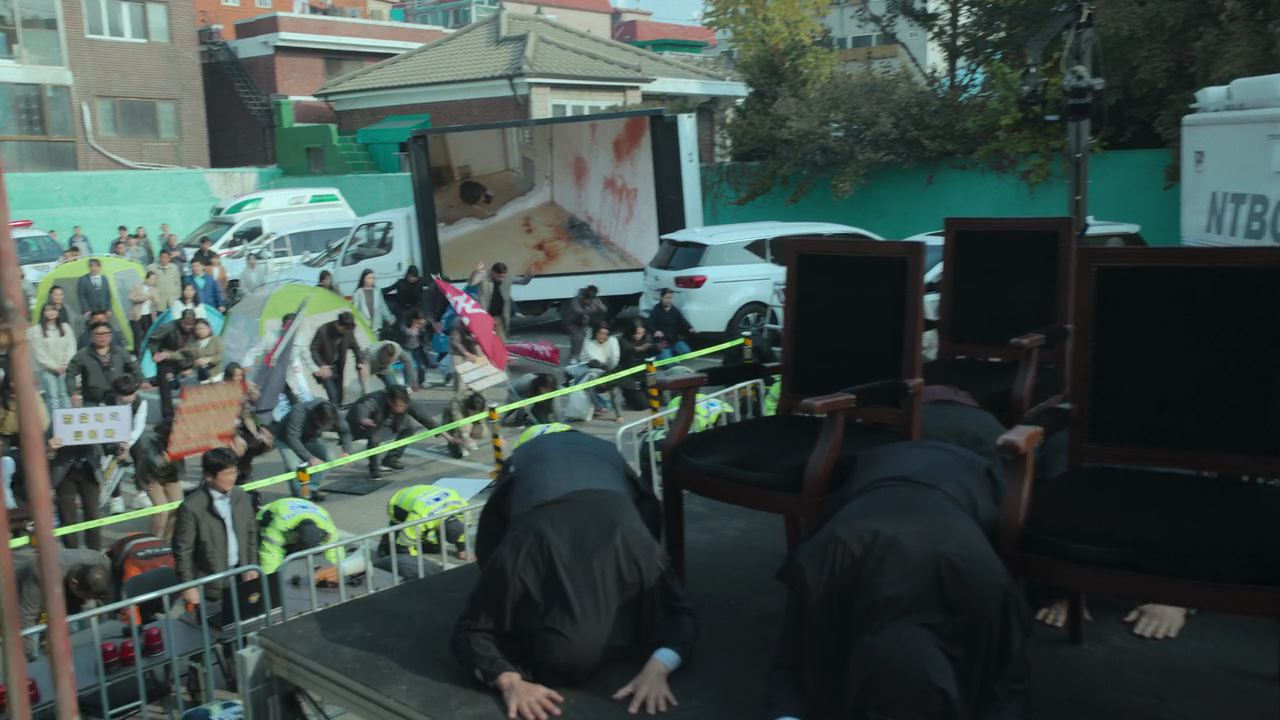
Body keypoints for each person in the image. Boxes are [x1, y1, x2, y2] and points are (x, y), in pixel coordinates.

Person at [768, 441, 1030, 720]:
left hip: (955, 476)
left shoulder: (984, 586)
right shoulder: (827, 565)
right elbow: (790, 667)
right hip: (899, 473)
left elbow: (1011, 685)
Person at [452, 428, 696, 719]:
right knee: (493, 576)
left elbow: (679, 614)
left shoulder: (638, 552)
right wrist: (510, 682)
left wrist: (658, 669)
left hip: (598, 467)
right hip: (540, 467)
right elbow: (473, 628)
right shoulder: (517, 557)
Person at [173, 447, 261, 605]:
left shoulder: (240, 496)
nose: (232, 478)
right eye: (226, 474)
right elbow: (183, 550)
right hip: (210, 584)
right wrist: (188, 586)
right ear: (208, 476)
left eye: (234, 472)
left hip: (241, 574)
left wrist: (252, 565)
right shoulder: (191, 507)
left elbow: (251, 533)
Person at [16, 548, 111, 658]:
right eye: (87, 596)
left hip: (63, 591)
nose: (89, 599)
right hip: (24, 594)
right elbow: (27, 616)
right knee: (44, 619)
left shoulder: (101, 564)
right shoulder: (41, 573)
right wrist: (29, 655)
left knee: (87, 609)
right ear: (74, 583)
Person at [346, 385, 442, 479]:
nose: (402, 408)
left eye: (404, 406)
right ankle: (374, 469)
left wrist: (438, 430)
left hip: (391, 417)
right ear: (390, 401)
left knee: (409, 428)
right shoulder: (375, 400)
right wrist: (363, 419)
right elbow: (362, 407)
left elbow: (422, 416)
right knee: (375, 439)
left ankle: (391, 460)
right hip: (368, 420)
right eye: (399, 406)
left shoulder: (403, 400)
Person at [378, 484, 470, 578]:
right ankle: (388, 541)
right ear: (439, 528)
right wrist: (418, 564)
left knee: (435, 547)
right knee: (402, 549)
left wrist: (462, 549)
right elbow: (405, 545)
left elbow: (461, 530)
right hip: (398, 504)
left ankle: (418, 540)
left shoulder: (463, 509)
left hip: (422, 496)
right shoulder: (420, 519)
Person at [274, 398, 353, 500]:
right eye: (324, 425)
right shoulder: (298, 412)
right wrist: (310, 458)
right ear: (315, 417)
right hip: (287, 439)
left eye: (329, 425)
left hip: (311, 436)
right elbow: (293, 438)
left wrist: (347, 451)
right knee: (294, 467)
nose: (327, 428)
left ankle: (311, 489)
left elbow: (345, 431)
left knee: (328, 459)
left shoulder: (334, 413)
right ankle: (299, 496)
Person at [48, 434, 105, 549]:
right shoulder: (54, 422)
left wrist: (118, 448)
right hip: (64, 470)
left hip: (90, 469)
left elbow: (109, 439)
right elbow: (45, 443)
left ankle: (95, 553)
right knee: (67, 516)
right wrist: (50, 449)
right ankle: (72, 553)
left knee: (93, 514)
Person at [256, 497, 341, 575]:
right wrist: (272, 579)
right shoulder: (278, 526)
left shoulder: (328, 528)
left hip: (301, 508)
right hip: (274, 512)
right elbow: (271, 554)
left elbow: (334, 552)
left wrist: (337, 572)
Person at [66, 322, 140, 407]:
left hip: (117, 398)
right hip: (91, 400)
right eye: (98, 334)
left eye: (106, 334)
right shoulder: (82, 355)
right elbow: (70, 374)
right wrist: (73, 392)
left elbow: (135, 368)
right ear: (92, 336)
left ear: (111, 335)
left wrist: (138, 385)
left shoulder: (120, 352)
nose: (102, 337)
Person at [132, 420, 184, 538]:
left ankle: (167, 540)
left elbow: (181, 468)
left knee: (178, 509)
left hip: (171, 475)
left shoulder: (181, 442)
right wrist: (166, 459)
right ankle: (155, 540)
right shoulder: (149, 441)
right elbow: (149, 464)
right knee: (162, 512)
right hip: (151, 477)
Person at [149, 309, 198, 419]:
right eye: (185, 324)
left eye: (190, 325)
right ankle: (168, 417)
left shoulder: (195, 329)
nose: (187, 327)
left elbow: (192, 349)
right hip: (166, 360)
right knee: (165, 387)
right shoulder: (169, 327)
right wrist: (154, 353)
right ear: (181, 320)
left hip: (184, 360)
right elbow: (153, 339)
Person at [309, 312, 365, 405]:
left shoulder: (348, 332)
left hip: (339, 367)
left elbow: (355, 347)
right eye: (345, 329)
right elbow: (313, 348)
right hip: (326, 368)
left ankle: (333, 410)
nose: (346, 331)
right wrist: (321, 365)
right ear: (339, 325)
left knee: (340, 397)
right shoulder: (323, 330)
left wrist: (359, 360)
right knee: (333, 397)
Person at [29, 302, 76, 410]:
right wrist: (54, 367)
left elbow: (71, 347)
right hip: (47, 369)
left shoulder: (66, 327)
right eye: (47, 310)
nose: (51, 313)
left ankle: (65, 418)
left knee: (65, 394)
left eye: (53, 310)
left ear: (58, 312)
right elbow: (39, 352)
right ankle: (54, 420)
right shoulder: (36, 330)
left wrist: (65, 365)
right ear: (43, 313)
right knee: (52, 397)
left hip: (65, 368)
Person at [574, 322, 624, 421]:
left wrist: (606, 368)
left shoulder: (612, 341)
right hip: (592, 369)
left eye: (605, 334)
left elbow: (614, 360)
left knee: (614, 388)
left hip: (609, 370)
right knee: (590, 380)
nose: (603, 336)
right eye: (600, 333)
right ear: (595, 333)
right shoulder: (588, 341)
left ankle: (619, 415)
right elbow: (583, 357)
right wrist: (596, 363)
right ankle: (599, 406)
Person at [476, 262, 531, 342]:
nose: (502, 279)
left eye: (503, 276)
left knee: (501, 341)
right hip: (487, 315)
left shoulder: (506, 279)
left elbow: (523, 281)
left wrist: (529, 275)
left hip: (499, 317)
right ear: (493, 273)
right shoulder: (485, 280)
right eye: (499, 276)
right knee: (486, 340)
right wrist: (477, 271)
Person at [647, 289, 695, 360]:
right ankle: (659, 356)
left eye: (670, 298)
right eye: (666, 298)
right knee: (669, 364)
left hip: (674, 340)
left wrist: (690, 328)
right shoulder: (655, 310)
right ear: (661, 298)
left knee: (687, 352)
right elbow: (650, 324)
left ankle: (672, 352)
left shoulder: (674, 310)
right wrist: (655, 331)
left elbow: (682, 320)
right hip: (662, 341)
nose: (669, 300)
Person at [563, 285, 607, 362]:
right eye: (592, 294)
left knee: (582, 339)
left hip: (582, 322)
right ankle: (574, 356)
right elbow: (578, 311)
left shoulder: (594, 299)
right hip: (572, 322)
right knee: (578, 337)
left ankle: (577, 354)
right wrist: (591, 310)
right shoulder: (576, 300)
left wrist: (599, 306)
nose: (593, 296)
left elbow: (604, 309)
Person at [128, 271, 160, 351]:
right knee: (137, 336)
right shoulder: (137, 286)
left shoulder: (154, 289)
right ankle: (138, 353)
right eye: (151, 279)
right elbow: (132, 298)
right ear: (146, 279)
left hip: (149, 315)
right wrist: (146, 297)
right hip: (137, 315)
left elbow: (157, 302)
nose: (153, 281)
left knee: (148, 335)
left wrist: (154, 297)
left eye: (155, 279)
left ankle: (147, 352)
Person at [148, 249, 182, 313]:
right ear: (159, 257)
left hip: (171, 300)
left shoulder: (174, 268)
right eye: (162, 257)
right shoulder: (152, 268)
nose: (164, 259)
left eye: (166, 258)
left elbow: (178, 283)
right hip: (158, 301)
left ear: (169, 258)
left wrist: (177, 297)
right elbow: (148, 283)